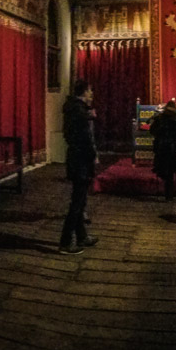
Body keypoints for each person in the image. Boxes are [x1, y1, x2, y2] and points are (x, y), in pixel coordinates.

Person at [59, 79, 99, 255]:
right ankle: (66, 242)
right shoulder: (79, 111)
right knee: (77, 203)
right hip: (81, 160)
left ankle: (82, 236)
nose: (92, 94)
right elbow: (85, 138)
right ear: (84, 92)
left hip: (76, 158)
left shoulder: (74, 109)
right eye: (90, 91)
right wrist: (93, 156)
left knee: (80, 201)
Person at [150, 100, 176, 201]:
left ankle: (164, 185)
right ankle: (169, 194)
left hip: (161, 146)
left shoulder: (159, 118)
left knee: (161, 166)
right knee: (170, 170)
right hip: (171, 147)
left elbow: (152, 131)